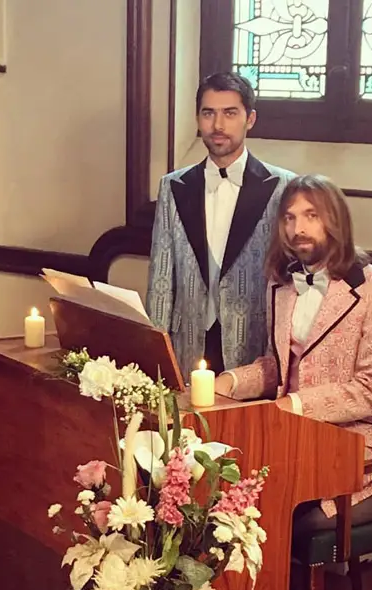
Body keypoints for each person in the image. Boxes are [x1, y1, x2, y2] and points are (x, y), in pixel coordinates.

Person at [215, 174, 372, 529]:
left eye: (311, 216)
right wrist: (229, 382)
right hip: (289, 435)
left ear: (335, 220)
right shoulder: (281, 283)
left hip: (352, 444)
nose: (298, 229)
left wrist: (294, 406)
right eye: (289, 218)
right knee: (220, 478)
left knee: (264, 502)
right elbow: (279, 365)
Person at [146, 72, 295, 380]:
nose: (218, 125)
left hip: (252, 347)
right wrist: (156, 354)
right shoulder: (173, 186)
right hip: (188, 342)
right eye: (208, 113)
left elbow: (290, 281)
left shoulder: (283, 187)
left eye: (229, 113)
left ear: (250, 119)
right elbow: (161, 279)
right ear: (197, 119)